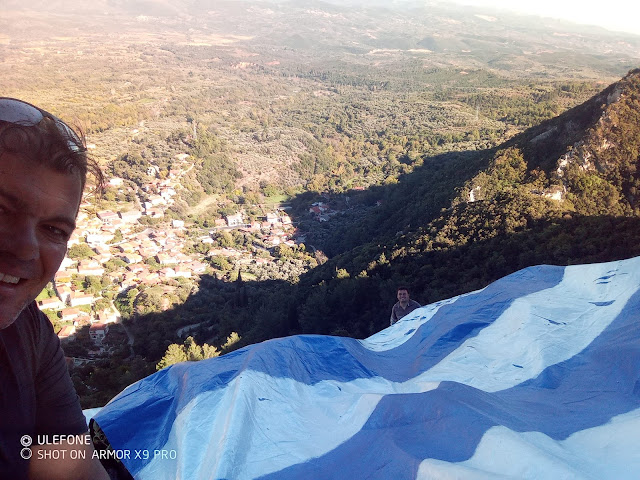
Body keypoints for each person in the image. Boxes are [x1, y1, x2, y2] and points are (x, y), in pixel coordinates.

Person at [0, 97, 109, 479]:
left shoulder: (27, 334)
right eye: (1, 209)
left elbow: (70, 468)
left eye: (54, 230)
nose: (26, 249)